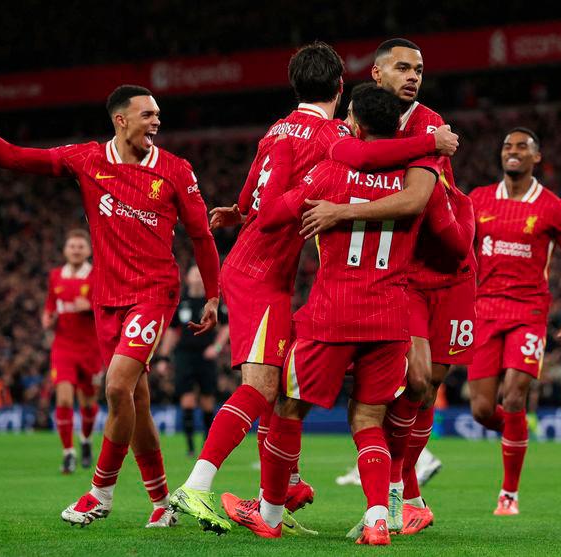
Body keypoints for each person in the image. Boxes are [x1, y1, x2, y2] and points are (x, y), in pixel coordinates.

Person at [171, 41, 456, 535]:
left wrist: (245, 212)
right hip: (372, 305)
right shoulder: (407, 173)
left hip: (304, 293)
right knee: (353, 411)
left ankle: (269, 501)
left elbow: (271, 203)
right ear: (342, 86)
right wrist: (433, 145)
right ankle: (374, 510)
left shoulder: (291, 136)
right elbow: (450, 238)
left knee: (280, 394)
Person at [0, 84, 221, 529]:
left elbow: (202, 235)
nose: (156, 122)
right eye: (147, 115)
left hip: (154, 291)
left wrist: (212, 293)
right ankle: (163, 501)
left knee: (115, 388)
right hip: (107, 300)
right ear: (120, 119)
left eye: (158, 115)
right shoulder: (87, 159)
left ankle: (100, 493)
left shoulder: (175, 170)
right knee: (137, 401)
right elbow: (16, 157)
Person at [222, 83, 432, 545]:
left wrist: (262, 188)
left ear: (353, 123)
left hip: (331, 314)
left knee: (287, 406)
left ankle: (272, 515)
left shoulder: (331, 171)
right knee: (368, 420)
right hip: (390, 315)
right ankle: (379, 517)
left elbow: (275, 214)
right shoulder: (415, 178)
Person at [299, 37, 475, 535]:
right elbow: (343, 154)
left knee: (427, 385)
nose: (413, 75)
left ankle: (400, 495)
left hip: (448, 267)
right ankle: (402, 495)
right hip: (399, 277)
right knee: (415, 380)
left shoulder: (432, 123)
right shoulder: (362, 127)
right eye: (402, 67)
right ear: (376, 75)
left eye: (418, 68)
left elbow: (418, 200)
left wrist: (341, 211)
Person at [468, 127, 561, 515]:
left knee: (515, 395)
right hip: (484, 311)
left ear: (537, 157)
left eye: (522, 146)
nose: (513, 151)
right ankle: (517, 432)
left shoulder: (553, 207)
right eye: (507, 146)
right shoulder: (479, 199)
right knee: (483, 411)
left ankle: (509, 494)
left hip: (529, 312)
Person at [42, 228, 103, 474]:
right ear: (65, 250)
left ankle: (86, 441)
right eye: (72, 246)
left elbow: (107, 307)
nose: (76, 250)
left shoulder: (97, 274)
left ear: (88, 250)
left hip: (91, 348)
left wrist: (90, 306)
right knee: (64, 398)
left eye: (80, 246)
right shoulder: (55, 276)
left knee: (88, 402)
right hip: (63, 346)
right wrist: (47, 318)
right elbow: (49, 306)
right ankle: (68, 453)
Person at [160, 265, 229, 457]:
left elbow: (226, 327)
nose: (198, 278)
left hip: (205, 355)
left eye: (201, 274)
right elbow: (172, 331)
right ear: (188, 279)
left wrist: (215, 348)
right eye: (194, 274)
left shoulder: (212, 302)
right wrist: (164, 357)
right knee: (187, 400)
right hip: (184, 355)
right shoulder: (181, 302)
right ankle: (190, 447)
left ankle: (207, 446)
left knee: (207, 400)